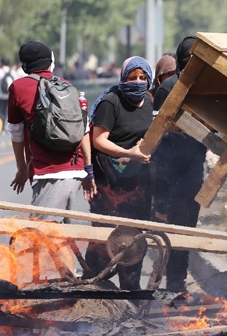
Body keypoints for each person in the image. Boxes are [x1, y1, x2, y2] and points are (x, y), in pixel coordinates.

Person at [84, 56, 153, 291]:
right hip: (108, 183)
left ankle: (131, 294)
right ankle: (94, 291)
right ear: (123, 78)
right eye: (132, 77)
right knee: (103, 243)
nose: (138, 82)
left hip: (136, 186)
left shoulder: (149, 102)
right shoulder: (110, 103)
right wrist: (128, 153)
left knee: (133, 243)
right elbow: (98, 140)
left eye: (143, 78)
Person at [7, 41, 96, 223]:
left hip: (47, 172)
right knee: (60, 238)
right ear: (50, 63)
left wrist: (22, 169)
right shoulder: (66, 85)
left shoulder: (18, 88)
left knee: (46, 239)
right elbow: (84, 130)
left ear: (25, 65)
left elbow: (16, 134)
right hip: (75, 172)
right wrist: (88, 170)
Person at [151, 36, 207, 292]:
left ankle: (175, 285)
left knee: (181, 233)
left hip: (187, 172)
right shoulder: (173, 88)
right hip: (171, 172)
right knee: (175, 233)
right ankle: (172, 283)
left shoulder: (199, 87)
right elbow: (159, 134)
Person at [0, 58, 14, 133]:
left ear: (2, 63)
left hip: (0, 95)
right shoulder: (12, 71)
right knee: (7, 111)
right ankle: (5, 126)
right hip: (9, 94)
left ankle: (4, 124)